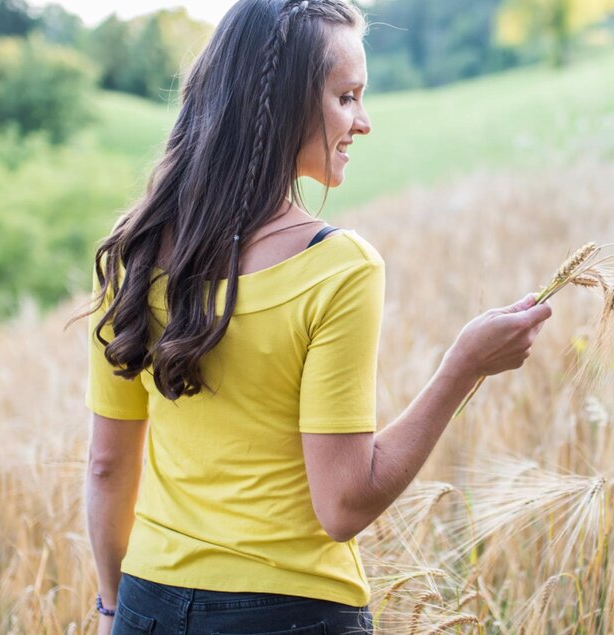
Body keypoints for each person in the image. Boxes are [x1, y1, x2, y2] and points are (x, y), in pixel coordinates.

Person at [83, 1, 553, 633]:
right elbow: (344, 505)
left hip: (149, 603)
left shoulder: (134, 253)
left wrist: (114, 607)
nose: (363, 122)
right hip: (290, 611)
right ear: (284, 106)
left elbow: (107, 466)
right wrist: (464, 367)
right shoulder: (338, 268)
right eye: (346, 97)